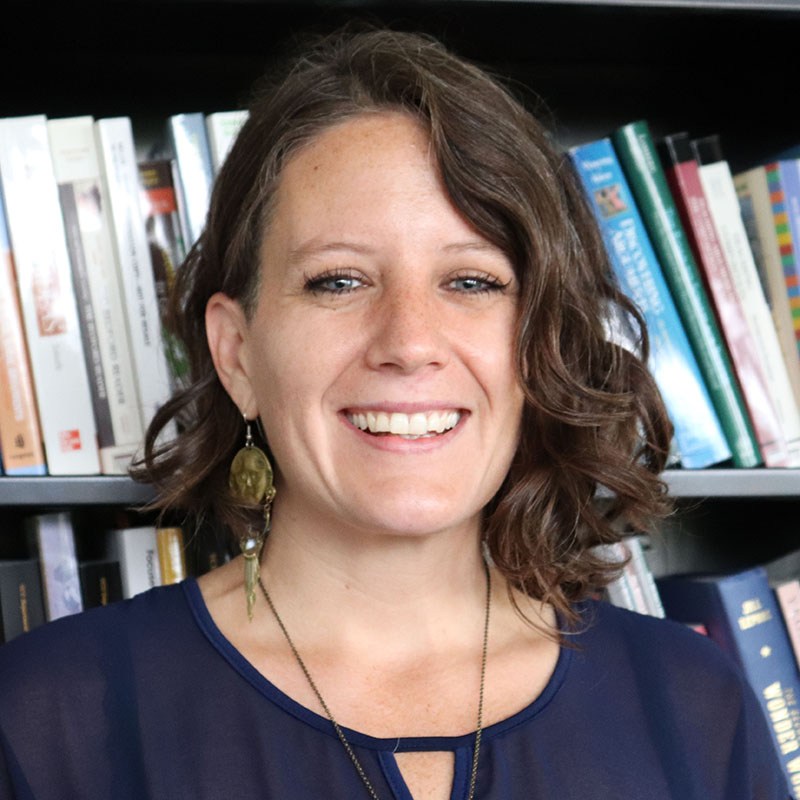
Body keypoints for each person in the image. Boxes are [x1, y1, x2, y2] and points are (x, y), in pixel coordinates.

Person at [0, 28, 789, 800]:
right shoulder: (49, 716)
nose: (409, 344)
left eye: (473, 282)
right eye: (338, 281)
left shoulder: (694, 705)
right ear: (237, 354)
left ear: (540, 344)